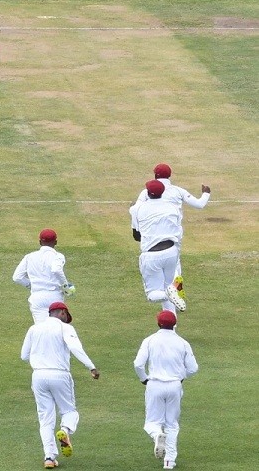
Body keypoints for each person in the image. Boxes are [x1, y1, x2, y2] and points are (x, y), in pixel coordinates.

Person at [21, 302, 100, 469]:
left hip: (38, 375)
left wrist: (40, 359)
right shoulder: (65, 328)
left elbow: (24, 355)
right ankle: (65, 429)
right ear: (63, 313)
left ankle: (49, 457)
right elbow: (75, 348)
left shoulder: (34, 329)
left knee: (45, 418)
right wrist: (91, 367)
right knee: (69, 411)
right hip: (59, 374)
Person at [133, 310, 199, 470]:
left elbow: (138, 364)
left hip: (154, 384)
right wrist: (181, 376)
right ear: (174, 324)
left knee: (151, 423)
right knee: (172, 424)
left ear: (158, 323)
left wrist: (144, 379)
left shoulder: (150, 340)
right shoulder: (182, 343)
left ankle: (157, 436)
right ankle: (169, 461)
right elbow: (193, 368)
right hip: (175, 386)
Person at [133, 163, 211, 289]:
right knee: (175, 261)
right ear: (169, 175)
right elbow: (199, 204)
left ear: (154, 175)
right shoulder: (177, 190)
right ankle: (177, 290)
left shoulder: (146, 192)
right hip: (174, 231)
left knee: (158, 264)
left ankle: (167, 291)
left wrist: (136, 230)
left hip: (153, 233)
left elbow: (136, 210)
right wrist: (206, 193)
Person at [131, 181, 186, 312]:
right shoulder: (173, 207)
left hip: (152, 255)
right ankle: (171, 327)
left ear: (147, 193)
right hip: (172, 252)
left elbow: (136, 236)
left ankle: (169, 293)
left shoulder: (138, 209)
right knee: (169, 288)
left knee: (153, 295)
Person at [13, 229, 76, 323]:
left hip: (37, 297)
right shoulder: (58, 256)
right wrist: (65, 285)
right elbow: (56, 270)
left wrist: (31, 285)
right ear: (55, 242)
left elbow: (17, 277)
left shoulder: (29, 257)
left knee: (41, 329)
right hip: (54, 296)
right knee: (57, 327)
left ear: (40, 242)